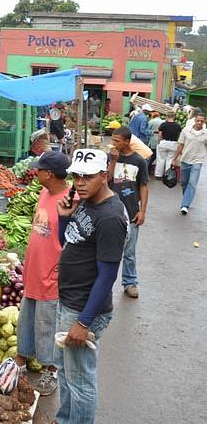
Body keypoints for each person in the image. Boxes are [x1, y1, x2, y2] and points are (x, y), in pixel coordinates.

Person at [55, 148, 129, 424]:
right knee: (65, 370)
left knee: (80, 380)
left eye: (87, 176)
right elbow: (71, 242)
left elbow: (108, 276)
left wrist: (84, 322)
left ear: (104, 175)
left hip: (84, 308)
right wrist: (65, 219)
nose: (80, 182)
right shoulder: (86, 201)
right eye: (76, 176)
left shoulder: (110, 217)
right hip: (70, 300)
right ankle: (65, 419)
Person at [15, 151, 72, 397]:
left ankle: (52, 370)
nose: (34, 172)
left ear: (48, 174)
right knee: (27, 321)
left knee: (48, 325)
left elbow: (73, 242)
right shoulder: (44, 193)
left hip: (52, 277)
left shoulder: (71, 200)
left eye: (38, 169)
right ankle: (20, 361)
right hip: (33, 272)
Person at [108, 126, 149, 299]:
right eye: (113, 140)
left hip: (132, 211)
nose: (113, 143)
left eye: (117, 140)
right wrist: (113, 162)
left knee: (130, 252)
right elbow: (106, 180)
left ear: (127, 141)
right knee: (108, 251)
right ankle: (104, 285)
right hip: (111, 211)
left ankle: (130, 282)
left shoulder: (139, 160)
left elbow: (144, 186)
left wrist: (142, 211)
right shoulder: (111, 157)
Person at [172, 112, 207, 215]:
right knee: (184, 182)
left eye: (202, 121)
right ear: (194, 120)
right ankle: (187, 198)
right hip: (185, 160)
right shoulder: (186, 131)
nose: (199, 122)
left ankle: (185, 205)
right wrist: (174, 159)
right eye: (198, 120)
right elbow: (180, 146)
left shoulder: (205, 133)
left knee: (192, 183)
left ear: (204, 121)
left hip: (198, 161)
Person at [154, 113, 182, 179]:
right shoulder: (178, 126)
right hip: (173, 144)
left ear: (167, 116)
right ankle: (167, 175)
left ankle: (158, 175)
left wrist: (159, 142)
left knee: (160, 159)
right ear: (174, 117)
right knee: (170, 159)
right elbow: (179, 136)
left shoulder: (163, 125)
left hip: (164, 143)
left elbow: (160, 135)